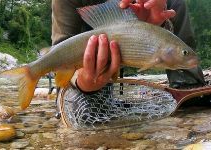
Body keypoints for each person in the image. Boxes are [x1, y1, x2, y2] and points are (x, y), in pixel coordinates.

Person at [51, 0, 206, 126]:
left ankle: (187, 85)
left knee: (175, 3)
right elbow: (57, 58)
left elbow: (174, 47)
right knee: (85, 114)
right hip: (83, 67)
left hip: (145, 41)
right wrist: (82, 82)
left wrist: (160, 24)